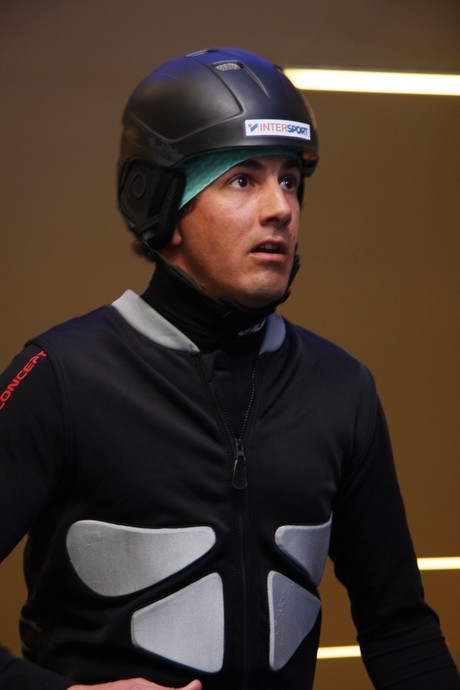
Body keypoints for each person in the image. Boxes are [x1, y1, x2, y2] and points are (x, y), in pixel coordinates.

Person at [0, 47, 458, 690]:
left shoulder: (342, 389)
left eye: (290, 180)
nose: (281, 209)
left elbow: (399, 628)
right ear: (162, 203)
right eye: (243, 179)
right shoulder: (59, 378)